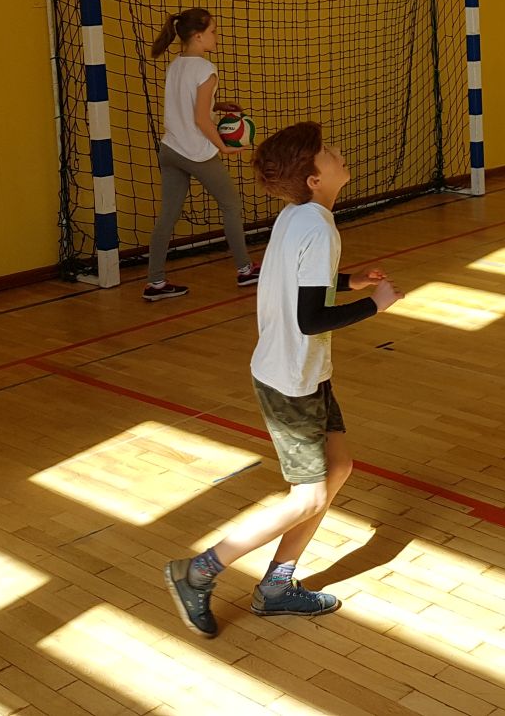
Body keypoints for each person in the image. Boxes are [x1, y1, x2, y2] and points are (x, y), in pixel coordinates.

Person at [163, 121, 401, 636]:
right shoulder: (318, 227)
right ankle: (198, 570)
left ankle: (276, 586)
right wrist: (374, 305)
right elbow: (310, 318)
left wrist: (349, 281)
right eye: (328, 150)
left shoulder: (299, 216)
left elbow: (303, 285)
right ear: (314, 179)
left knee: (338, 467)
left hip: (302, 372)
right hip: (291, 380)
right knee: (308, 496)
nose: (338, 152)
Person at [143, 8, 259, 300]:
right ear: (197, 36)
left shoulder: (176, 65)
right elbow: (200, 119)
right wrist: (224, 147)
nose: (216, 37)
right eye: (213, 32)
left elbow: (188, 105)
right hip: (196, 152)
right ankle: (245, 270)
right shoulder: (206, 69)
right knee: (231, 205)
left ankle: (155, 283)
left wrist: (218, 106)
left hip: (170, 149)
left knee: (167, 216)